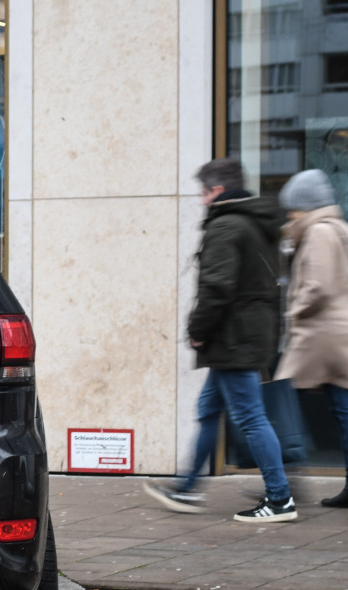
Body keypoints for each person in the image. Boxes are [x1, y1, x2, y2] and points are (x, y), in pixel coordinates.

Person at [145, 158, 297, 522]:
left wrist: (198, 331)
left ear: (216, 190)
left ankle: (279, 499)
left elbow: (217, 288)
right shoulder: (255, 223)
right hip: (243, 336)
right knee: (209, 410)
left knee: (251, 418)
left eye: (203, 193)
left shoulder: (226, 226)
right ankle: (187, 489)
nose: (201, 201)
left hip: (233, 340)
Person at [275, 169, 348, 507]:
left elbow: (317, 286)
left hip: (319, 335)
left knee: (283, 399)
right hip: (335, 336)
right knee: (341, 408)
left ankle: (285, 482)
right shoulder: (337, 228)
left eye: (293, 209)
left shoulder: (319, 232)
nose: (290, 215)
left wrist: (294, 312)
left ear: (305, 206)